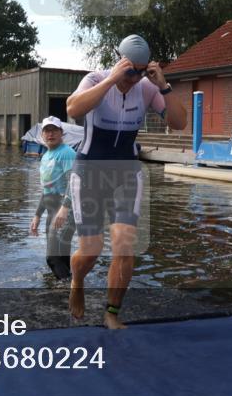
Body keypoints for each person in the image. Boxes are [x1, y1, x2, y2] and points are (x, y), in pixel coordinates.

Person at [65, 34, 187, 329]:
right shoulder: (96, 79)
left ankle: (111, 312)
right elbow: (72, 109)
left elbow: (180, 123)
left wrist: (164, 87)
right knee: (91, 250)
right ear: (118, 60)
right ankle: (77, 281)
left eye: (141, 72)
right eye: (131, 70)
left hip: (126, 173)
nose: (135, 78)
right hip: (90, 171)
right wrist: (111, 80)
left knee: (124, 246)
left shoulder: (146, 89)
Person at [29, 116, 76, 279]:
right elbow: (46, 189)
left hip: (65, 210)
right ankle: (70, 289)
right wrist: (37, 215)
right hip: (51, 210)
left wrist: (65, 208)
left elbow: (74, 182)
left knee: (53, 257)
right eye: (47, 131)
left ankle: (65, 290)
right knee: (62, 256)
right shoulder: (46, 156)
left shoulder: (67, 153)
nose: (50, 134)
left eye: (54, 130)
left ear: (61, 133)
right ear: (42, 135)